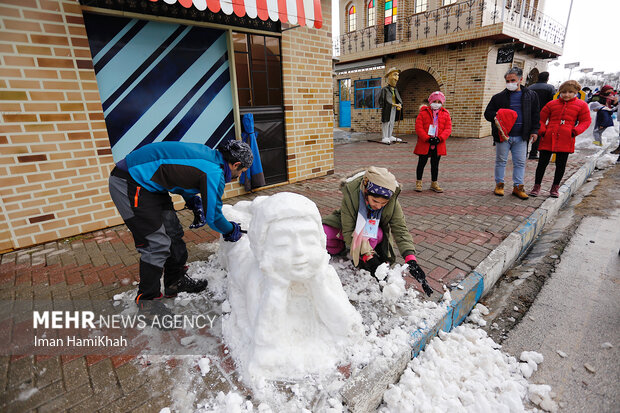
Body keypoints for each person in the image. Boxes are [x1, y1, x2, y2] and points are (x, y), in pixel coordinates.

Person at [108, 140, 252, 306]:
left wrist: (192, 201)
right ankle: (147, 304)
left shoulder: (210, 157)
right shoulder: (214, 171)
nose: (240, 176)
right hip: (130, 181)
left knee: (173, 232)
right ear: (236, 164)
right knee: (156, 244)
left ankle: (174, 282)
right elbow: (213, 218)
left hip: (151, 186)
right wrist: (230, 230)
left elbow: (179, 175)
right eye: (243, 171)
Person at [322, 167, 433, 296]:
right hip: (349, 225)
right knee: (323, 234)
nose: (378, 206)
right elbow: (348, 229)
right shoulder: (352, 194)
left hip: (372, 231)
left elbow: (400, 229)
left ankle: (364, 257)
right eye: (375, 201)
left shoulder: (392, 201)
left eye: (383, 203)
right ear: (366, 191)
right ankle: (348, 249)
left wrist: (411, 260)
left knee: (374, 236)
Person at [484, 67, 540, 200]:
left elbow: (535, 114)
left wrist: (534, 130)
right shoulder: (498, 97)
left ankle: (518, 187)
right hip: (503, 136)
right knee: (501, 161)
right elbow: (487, 114)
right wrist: (498, 115)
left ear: (521, 79)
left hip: (522, 136)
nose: (510, 83)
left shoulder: (531, 96)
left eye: (513, 80)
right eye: (507, 81)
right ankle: (499, 185)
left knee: (520, 162)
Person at [529, 80, 592, 198]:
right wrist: (542, 130)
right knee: (542, 164)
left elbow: (586, 121)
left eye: (570, 92)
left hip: (566, 138)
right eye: (563, 92)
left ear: (576, 92)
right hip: (548, 137)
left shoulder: (581, 105)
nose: (566, 95)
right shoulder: (551, 104)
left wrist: (576, 131)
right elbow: (540, 118)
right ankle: (536, 186)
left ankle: (555, 187)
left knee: (561, 165)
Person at [413, 91, 452, 192]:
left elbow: (448, 128)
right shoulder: (423, 113)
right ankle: (419, 182)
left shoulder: (445, 114)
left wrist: (440, 138)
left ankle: (434, 183)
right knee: (422, 163)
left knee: (435, 164)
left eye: (439, 101)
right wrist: (427, 138)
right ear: (430, 102)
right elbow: (419, 128)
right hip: (425, 142)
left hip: (438, 143)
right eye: (435, 101)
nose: (437, 103)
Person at [527, 71, 556, 159]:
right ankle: (533, 153)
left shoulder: (530, 87)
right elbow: (553, 101)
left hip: (529, 112)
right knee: (538, 132)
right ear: (547, 78)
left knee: (526, 132)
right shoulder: (550, 88)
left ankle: (523, 153)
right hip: (543, 113)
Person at [378, 68, 403, 145]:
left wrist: (399, 104)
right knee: (386, 122)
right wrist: (391, 104)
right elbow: (382, 100)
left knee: (392, 122)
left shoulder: (395, 89)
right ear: (390, 76)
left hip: (394, 108)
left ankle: (389, 135)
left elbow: (398, 98)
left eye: (398, 75)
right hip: (387, 109)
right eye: (395, 75)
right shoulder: (384, 89)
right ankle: (385, 136)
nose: (397, 77)